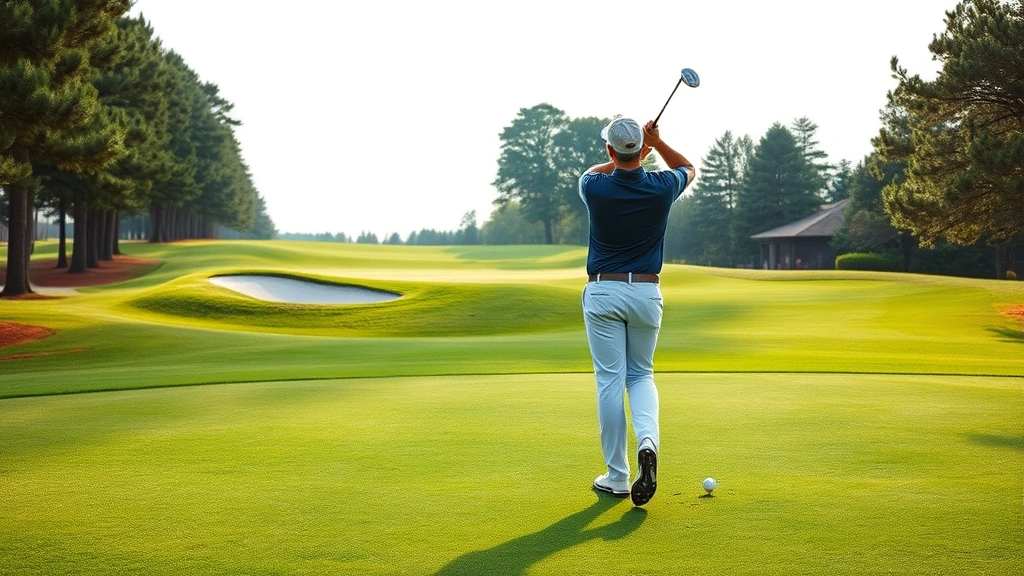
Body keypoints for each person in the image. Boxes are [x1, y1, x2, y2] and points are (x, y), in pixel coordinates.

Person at [579, 116, 695, 506]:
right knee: (641, 375)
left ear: (610, 150)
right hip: (646, 292)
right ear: (641, 154)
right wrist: (655, 145)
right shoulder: (662, 187)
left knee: (610, 381)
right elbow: (688, 168)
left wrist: (632, 152)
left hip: (603, 290)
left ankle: (616, 476)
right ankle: (648, 442)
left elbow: (598, 169)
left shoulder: (593, 187)